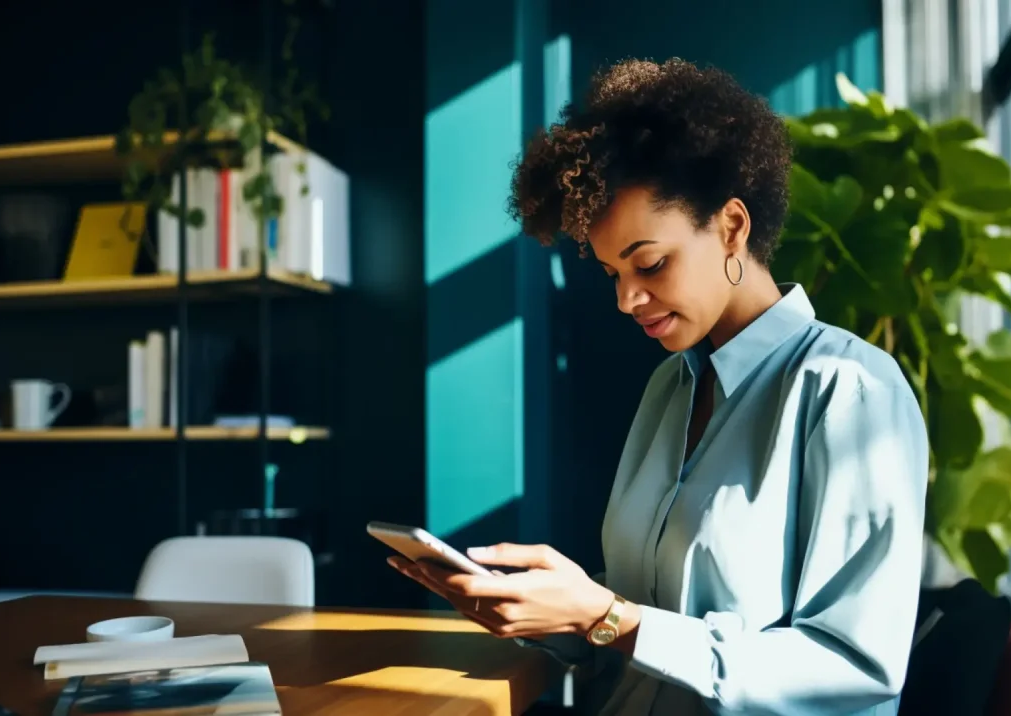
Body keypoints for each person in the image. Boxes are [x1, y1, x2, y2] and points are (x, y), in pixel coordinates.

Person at [389, 57, 930, 716]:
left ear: (732, 227)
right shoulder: (668, 389)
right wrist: (551, 610)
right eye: (614, 273)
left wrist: (607, 617)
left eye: (649, 263)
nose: (627, 299)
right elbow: (639, 618)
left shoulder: (850, 393)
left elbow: (853, 670)